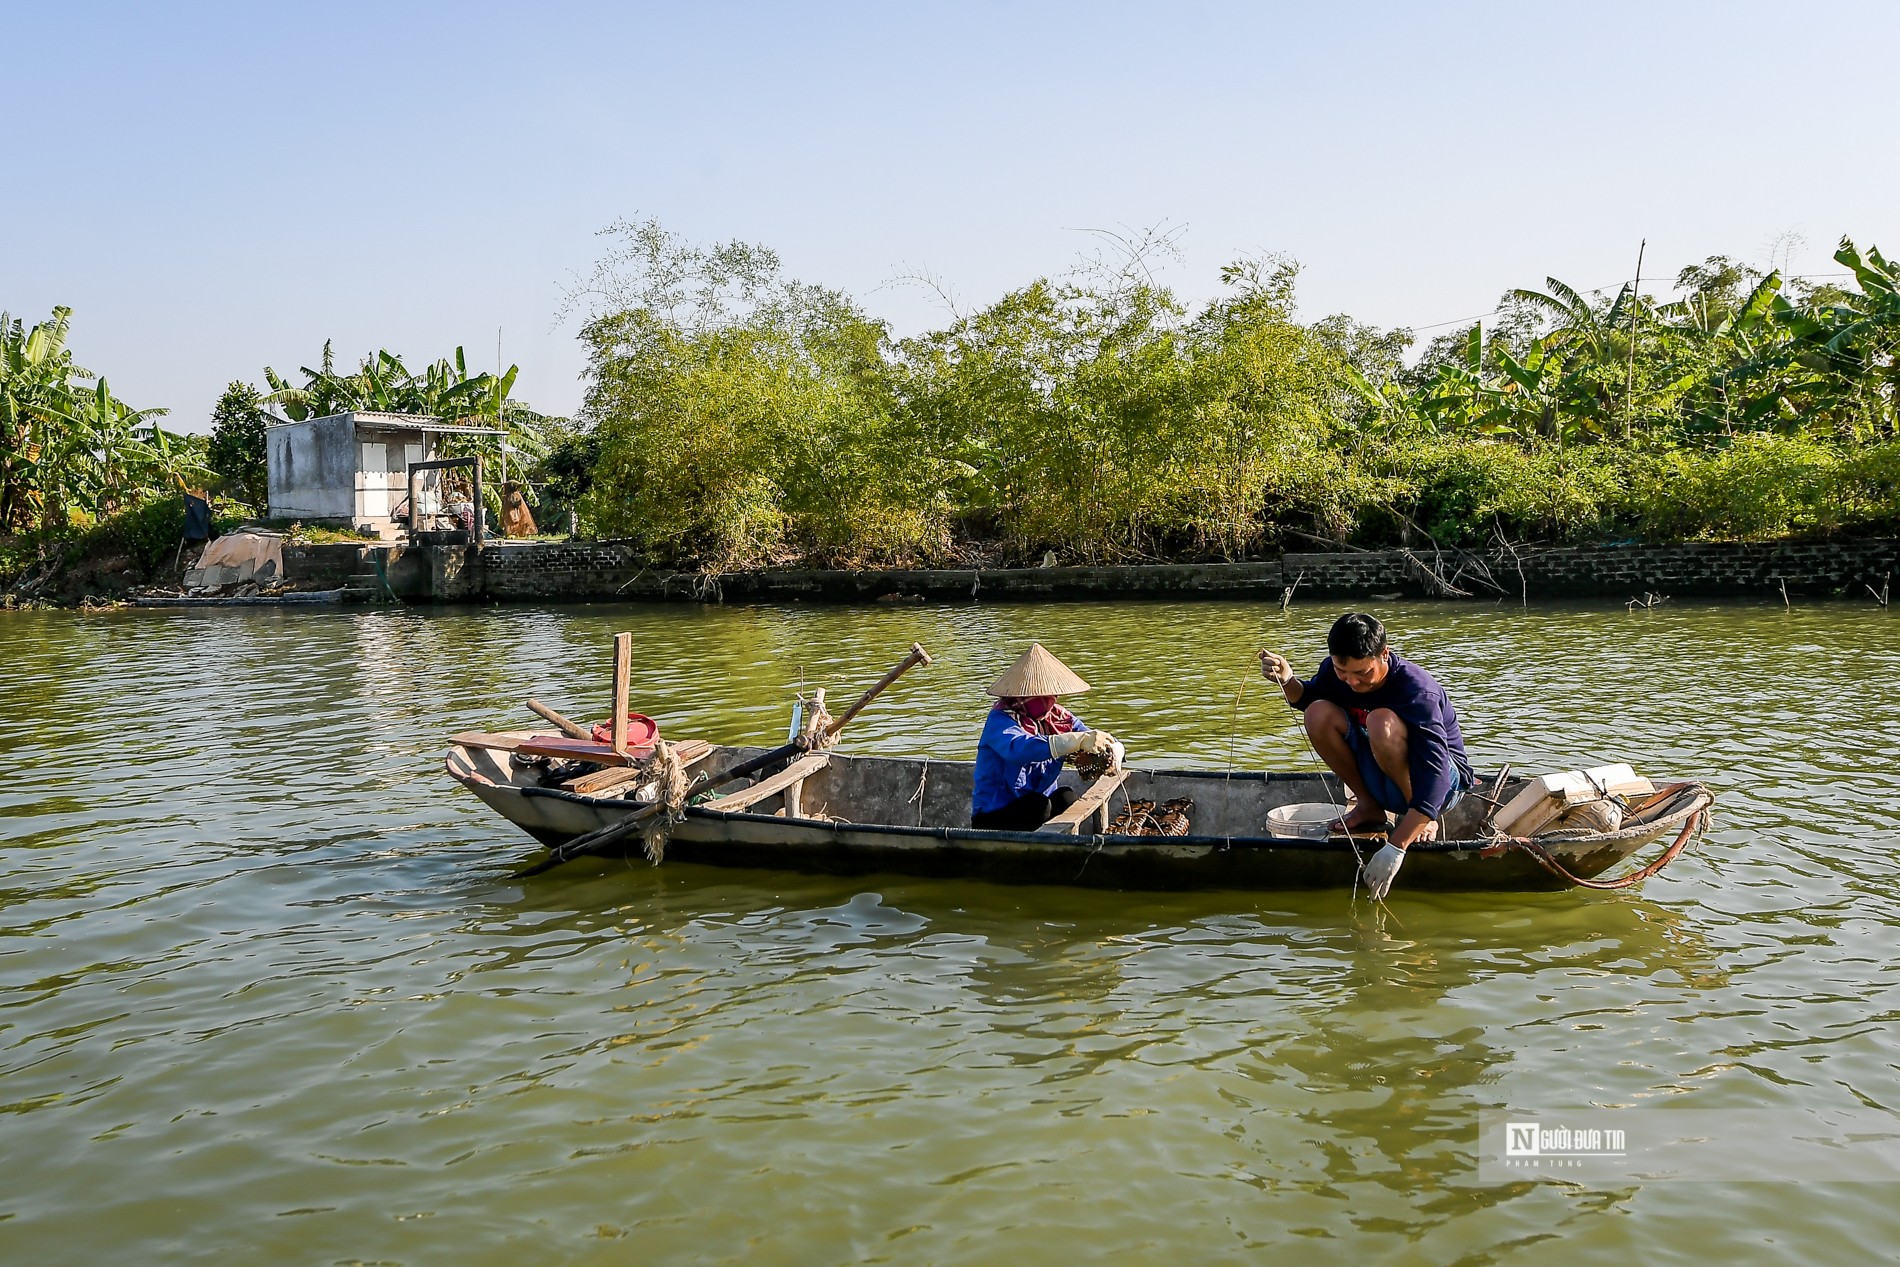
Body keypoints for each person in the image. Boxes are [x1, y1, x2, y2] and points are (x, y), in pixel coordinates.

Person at [1259, 613, 1473, 900]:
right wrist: (1287, 679)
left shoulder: (1417, 691)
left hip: (1440, 787)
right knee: (1318, 713)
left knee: (1379, 721)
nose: (1352, 682)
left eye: (1362, 673)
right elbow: (1308, 699)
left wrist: (1396, 846)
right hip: (1384, 775)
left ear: (1383, 654)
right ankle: (1369, 805)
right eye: (1342, 671)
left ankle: (1420, 818)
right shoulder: (1338, 674)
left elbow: (1435, 776)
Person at [972, 643, 1120, 830]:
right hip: (995, 815)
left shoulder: (1058, 717)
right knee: (1038, 804)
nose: (1051, 700)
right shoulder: (1000, 720)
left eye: (1052, 695)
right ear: (1025, 695)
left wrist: (1113, 748)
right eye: (1044, 696)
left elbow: (1090, 735)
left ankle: (1060, 847)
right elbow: (1020, 749)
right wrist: (1074, 741)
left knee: (1066, 797)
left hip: (1037, 806)